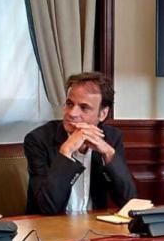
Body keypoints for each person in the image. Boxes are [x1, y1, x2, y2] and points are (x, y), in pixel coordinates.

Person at [24, 71, 137, 215]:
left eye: (84, 108)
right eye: (69, 104)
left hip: (94, 225)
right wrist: (66, 151)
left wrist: (109, 154)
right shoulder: (38, 140)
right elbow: (46, 208)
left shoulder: (111, 138)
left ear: (102, 114)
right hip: (50, 226)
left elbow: (129, 202)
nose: (72, 113)